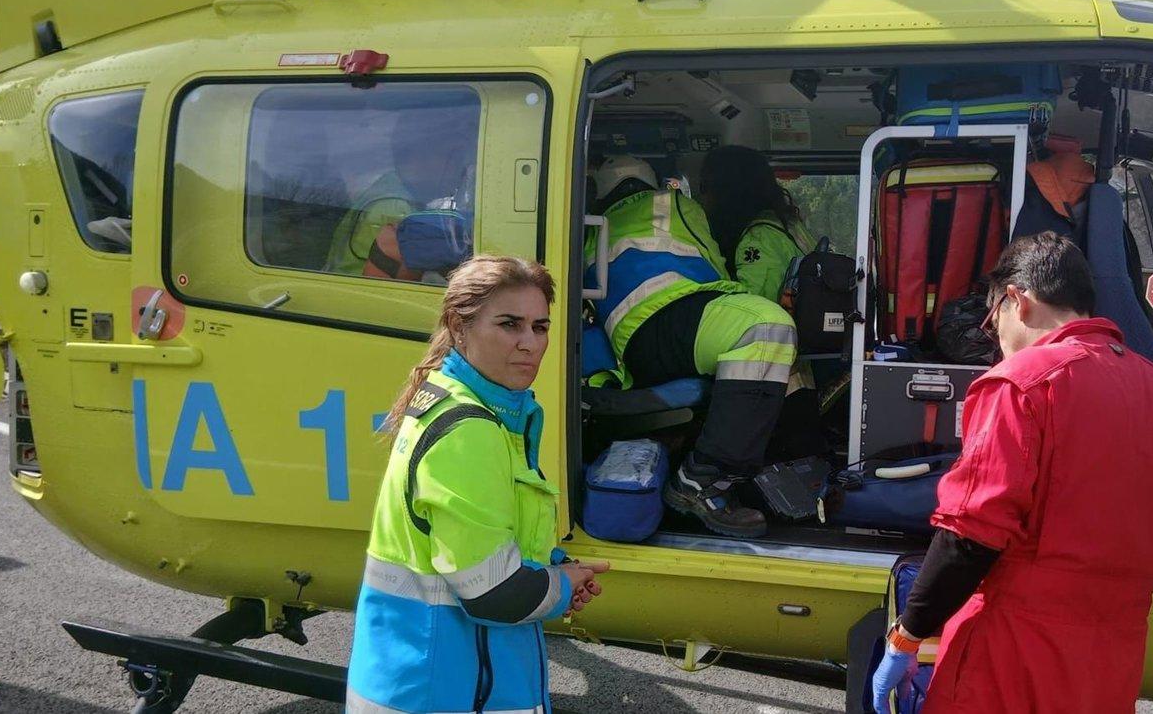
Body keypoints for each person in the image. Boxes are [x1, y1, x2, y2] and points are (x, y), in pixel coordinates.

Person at [872, 232, 1153, 714]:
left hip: (1013, 654)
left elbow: (970, 535)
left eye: (992, 322)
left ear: (1015, 300)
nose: (996, 339)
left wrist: (907, 635)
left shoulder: (1021, 383)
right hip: (1111, 659)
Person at [347, 255, 608, 714]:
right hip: (451, 692)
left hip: (421, 681)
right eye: (510, 324)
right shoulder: (471, 428)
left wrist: (552, 567)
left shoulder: (454, 401)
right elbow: (494, 594)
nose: (530, 344)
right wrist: (561, 586)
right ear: (459, 326)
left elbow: (469, 543)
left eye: (540, 327)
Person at [585, 154, 797, 539]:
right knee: (765, 327)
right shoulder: (676, 203)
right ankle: (701, 480)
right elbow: (713, 261)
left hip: (634, 342)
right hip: (671, 317)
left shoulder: (584, 228)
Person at [326, 113, 475, 279]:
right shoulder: (396, 207)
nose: (461, 169)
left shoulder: (391, 184)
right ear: (422, 157)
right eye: (455, 158)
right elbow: (402, 284)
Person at [698, 144, 816, 304]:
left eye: (704, 187)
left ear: (724, 192)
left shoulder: (758, 238)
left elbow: (754, 309)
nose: (702, 198)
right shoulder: (786, 224)